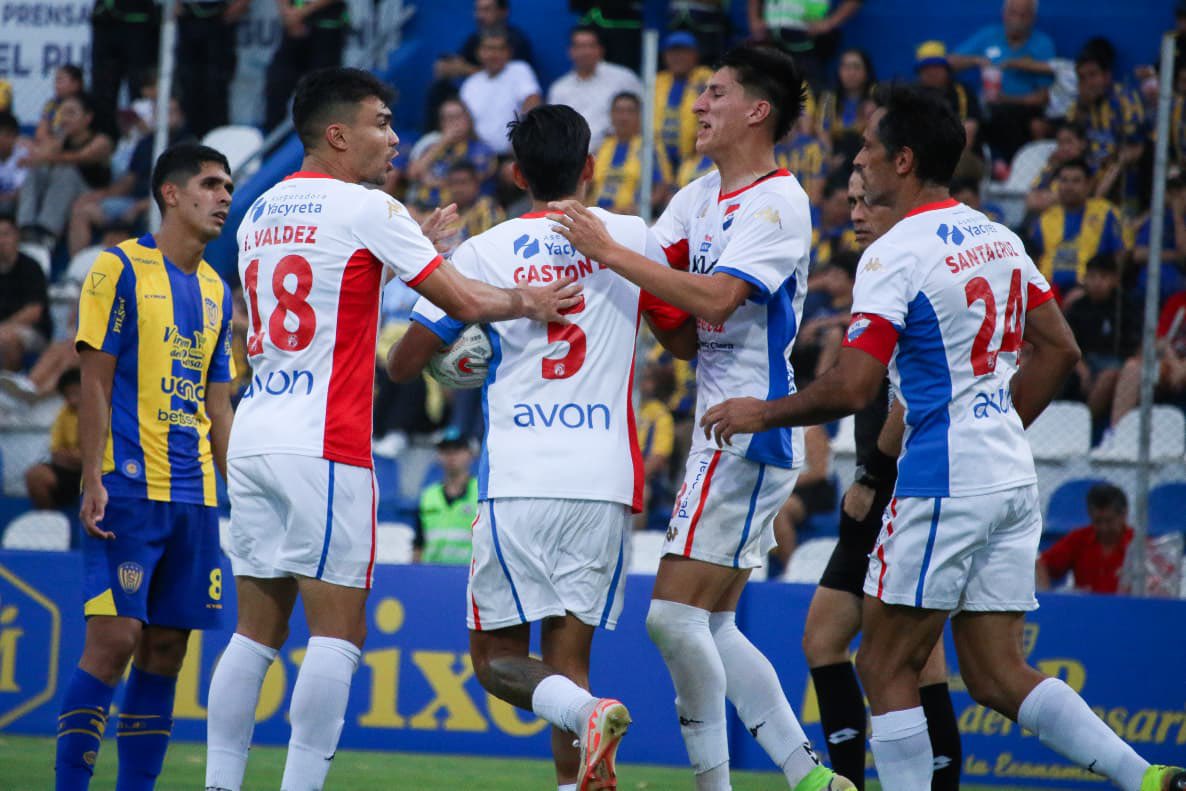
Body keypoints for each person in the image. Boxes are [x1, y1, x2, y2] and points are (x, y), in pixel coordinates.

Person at [700, 84, 1186, 791]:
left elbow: (854, 387)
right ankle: (1144, 775)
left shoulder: (896, 253)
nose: (858, 157)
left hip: (943, 478)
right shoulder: (997, 235)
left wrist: (760, 411)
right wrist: (992, 426)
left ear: (902, 159)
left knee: (883, 663)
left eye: (868, 145)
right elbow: (1061, 348)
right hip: (1009, 477)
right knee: (996, 673)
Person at [203, 68, 579, 791]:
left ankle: (221, 782)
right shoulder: (369, 208)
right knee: (338, 636)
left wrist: (410, 247)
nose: (395, 137)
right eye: (380, 122)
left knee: (255, 634)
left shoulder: (257, 213)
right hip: (325, 440)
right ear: (338, 134)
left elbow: (320, 290)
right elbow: (463, 297)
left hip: (255, 434)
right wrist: (528, 299)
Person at [551, 45, 853, 791]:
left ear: (758, 111)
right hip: (720, 427)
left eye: (714, 93)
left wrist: (615, 258)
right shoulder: (696, 198)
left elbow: (716, 300)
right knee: (711, 624)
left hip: (749, 427)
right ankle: (809, 776)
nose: (698, 104)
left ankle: (716, 784)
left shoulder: (777, 202)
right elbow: (681, 328)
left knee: (673, 619)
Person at [388, 103, 694, 791]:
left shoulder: (482, 253)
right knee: (569, 657)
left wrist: (455, 307)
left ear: (516, 173)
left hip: (522, 478)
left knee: (496, 660)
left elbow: (404, 362)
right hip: (605, 478)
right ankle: (583, 745)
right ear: (589, 168)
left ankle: (588, 714)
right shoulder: (629, 235)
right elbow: (684, 335)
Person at [54, 142, 237, 790]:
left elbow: (219, 405)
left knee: (166, 651)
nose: (223, 197)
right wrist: (93, 477)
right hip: (127, 489)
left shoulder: (217, 290)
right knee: (114, 641)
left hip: (194, 498)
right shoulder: (119, 267)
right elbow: (95, 380)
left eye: (228, 187)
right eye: (211, 184)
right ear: (171, 193)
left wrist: (235, 492)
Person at [799, 170, 962, 791]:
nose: (856, 212)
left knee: (910, 662)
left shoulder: (905, 271)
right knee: (826, 640)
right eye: (852, 200)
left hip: (900, 492)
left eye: (869, 200)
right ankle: (848, 782)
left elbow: (901, 399)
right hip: (885, 497)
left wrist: (870, 474)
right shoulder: (881, 274)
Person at [948, 0, 1055, 164]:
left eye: (1023, 15)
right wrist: (975, 60)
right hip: (987, 107)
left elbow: (1044, 96)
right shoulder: (988, 35)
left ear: (1033, 17)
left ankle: (1011, 171)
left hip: (1023, 110)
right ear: (1004, 14)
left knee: (1017, 119)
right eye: (1013, 13)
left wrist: (1006, 99)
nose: (1017, 20)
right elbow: (950, 63)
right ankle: (972, 172)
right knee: (968, 123)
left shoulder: (1043, 44)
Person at [17, 93, 114, 250]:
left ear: (87, 117)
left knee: (66, 171)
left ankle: (48, 233)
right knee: (36, 170)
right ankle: (25, 228)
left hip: (92, 195)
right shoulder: (61, 139)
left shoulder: (101, 140)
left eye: (71, 113)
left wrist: (44, 157)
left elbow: (79, 157)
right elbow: (39, 157)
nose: (65, 119)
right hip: (63, 195)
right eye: (62, 113)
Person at [1030, 158, 1127, 294]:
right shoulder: (1046, 217)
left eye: (1076, 181)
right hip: (1049, 291)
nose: (1069, 186)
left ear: (1088, 185)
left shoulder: (1105, 213)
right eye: (1064, 181)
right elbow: (1033, 258)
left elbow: (1120, 254)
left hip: (1090, 291)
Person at [1063, 253, 1141, 422]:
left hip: (1116, 364)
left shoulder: (1125, 307)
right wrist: (1082, 370)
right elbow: (1067, 344)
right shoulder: (1078, 308)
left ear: (1114, 279)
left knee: (1108, 376)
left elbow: (1136, 347)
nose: (1097, 282)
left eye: (1103, 277)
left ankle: (1084, 424)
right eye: (1092, 276)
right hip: (1083, 363)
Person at [548, 25, 645, 151]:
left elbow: (645, 113)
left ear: (601, 50)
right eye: (580, 47)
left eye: (591, 46)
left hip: (618, 156)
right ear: (571, 51)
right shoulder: (559, 88)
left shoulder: (623, 77)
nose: (585, 52)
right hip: (573, 161)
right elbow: (553, 130)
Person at [263, 0, 349, 131]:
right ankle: (273, 144)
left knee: (321, 95)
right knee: (277, 84)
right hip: (294, 29)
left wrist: (301, 13)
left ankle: (322, 144)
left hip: (326, 29)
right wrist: (287, 13)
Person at [459, 27, 543, 156]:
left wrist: (520, 139)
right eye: (488, 49)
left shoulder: (519, 70)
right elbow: (464, 122)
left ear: (509, 52)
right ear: (479, 52)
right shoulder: (470, 84)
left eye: (500, 49)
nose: (494, 54)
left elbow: (533, 101)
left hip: (515, 154)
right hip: (479, 157)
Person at [1037, 483, 1133, 594]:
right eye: (1097, 521)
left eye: (1109, 521)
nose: (1103, 528)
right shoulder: (1079, 539)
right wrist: (1047, 597)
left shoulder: (1138, 544)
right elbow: (1041, 564)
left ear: (1124, 515)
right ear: (1090, 515)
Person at [405, 98, 497, 213]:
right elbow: (413, 174)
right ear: (441, 123)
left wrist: (432, 181)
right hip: (423, 207)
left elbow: (467, 183)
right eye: (448, 118)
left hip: (460, 210)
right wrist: (443, 142)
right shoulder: (433, 146)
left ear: (468, 119)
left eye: (457, 117)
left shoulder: (482, 150)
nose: (454, 123)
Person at [747, 0, 863, 88]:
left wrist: (829, 23)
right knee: (764, 90)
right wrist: (754, 19)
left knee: (809, 95)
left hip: (808, 38)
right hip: (770, 35)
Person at [176, 0, 250, 138]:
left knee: (217, 88)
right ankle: (193, 144)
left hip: (220, 14)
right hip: (187, 14)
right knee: (189, 87)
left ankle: (219, 143)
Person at [591, 92, 674, 215]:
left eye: (630, 111)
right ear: (611, 115)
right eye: (619, 111)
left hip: (629, 217)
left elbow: (662, 186)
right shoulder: (602, 146)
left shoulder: (648, 147)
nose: (623, 117)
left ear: (639, 116)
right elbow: (586, 185)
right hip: (597, 216)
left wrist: (639, 209)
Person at [90, 0, 159, 132]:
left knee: (140, 87)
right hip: (105, 20)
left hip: (138, 21)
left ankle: (143, 140)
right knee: (102, 93)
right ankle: (106, 137)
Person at [414, 428, 478, 565]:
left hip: (469, 576)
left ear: (471, 454)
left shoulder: (482, 493)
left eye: (457, 449)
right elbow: (418, 544)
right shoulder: (428, 496)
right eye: (445, 450)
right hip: (431, 575)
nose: (451, 455)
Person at [654, 31, 715, 172]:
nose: (677, 58)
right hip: (660, 159)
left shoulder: (706, 78)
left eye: (683, 52)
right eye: (672, 53)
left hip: (696, 156)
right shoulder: (657, 82)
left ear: (695, 55)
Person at [25, 368, 83, 510]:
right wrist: (77, 457)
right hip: (72, 471)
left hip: (100, 472)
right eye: (68, 395)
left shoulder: (106, 411)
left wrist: (83, 458)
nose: (72, 400)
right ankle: (49, 521)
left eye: (76, 393)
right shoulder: (64, 413)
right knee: (35, 476)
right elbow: (56, 452)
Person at [0, 215, 51, 371]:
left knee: (7, 339)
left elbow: (34, 312)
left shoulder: (31, 268)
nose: (1, 241)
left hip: (33, 330)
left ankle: (7, 388)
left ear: (17, 236)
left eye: (5, 234)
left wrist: (3, 327)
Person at [36, 65, 85, 144]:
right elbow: (40, 134)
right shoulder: (52, 104)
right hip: (52, 146)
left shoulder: (84, 105)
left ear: (75, 84)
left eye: (60, 81)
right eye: (55, 81)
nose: (56, 85)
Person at [0, 111, 29, 215]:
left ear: (15, 136)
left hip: (15, 206)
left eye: (6, 135)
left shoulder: (23, 157)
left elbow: (21, 193)